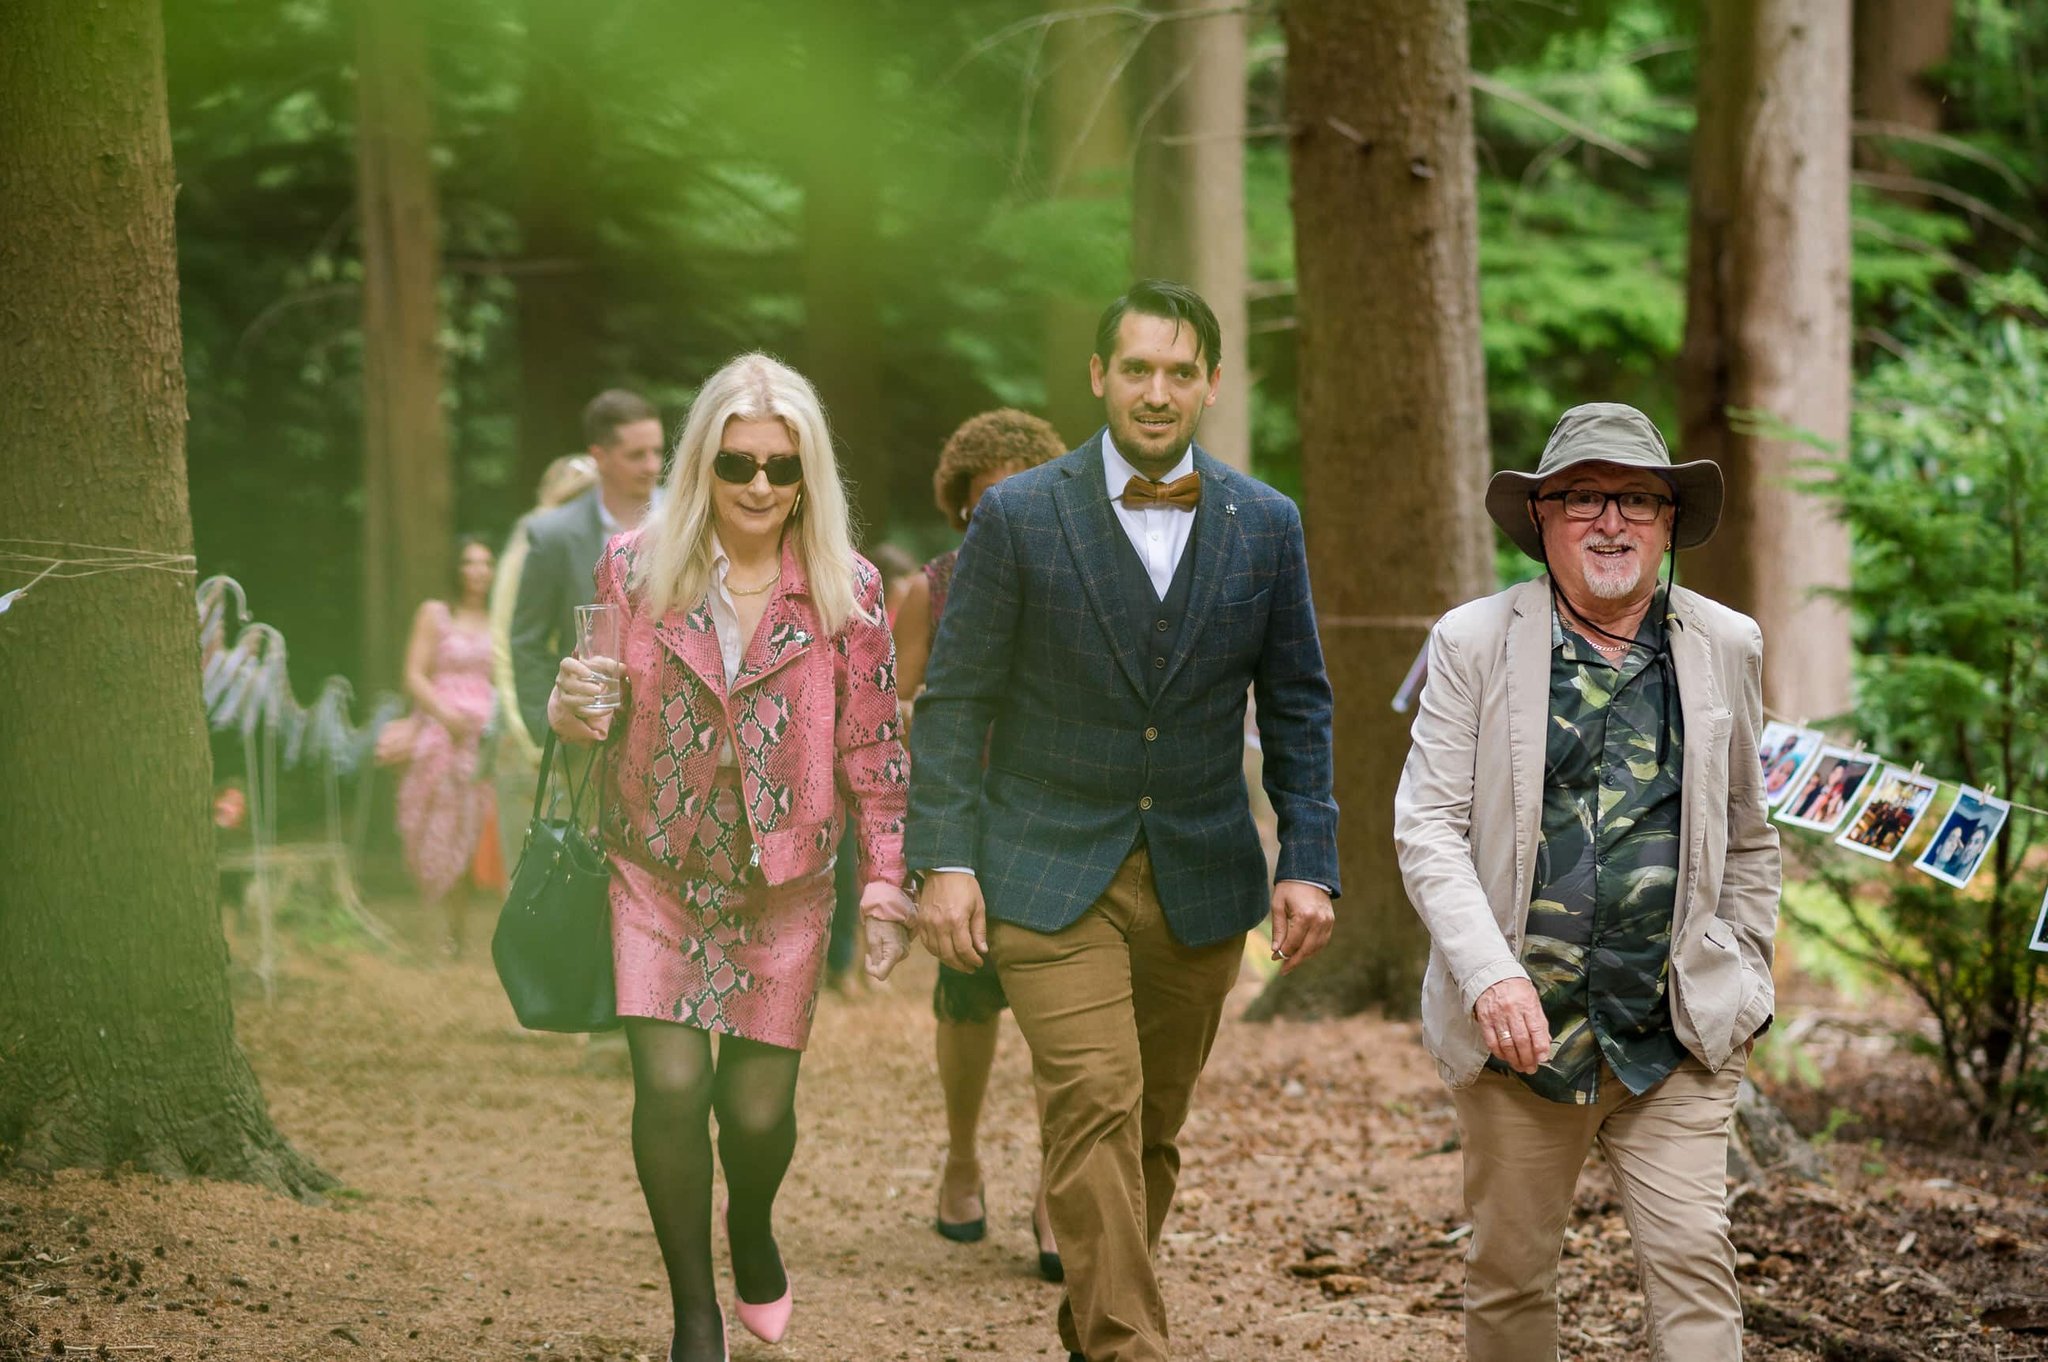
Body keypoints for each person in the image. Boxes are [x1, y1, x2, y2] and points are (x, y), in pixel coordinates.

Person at [906, 280, 1340, 1362]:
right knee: (1093, 1097)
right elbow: (955, 701)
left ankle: (1091, 1322)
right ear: (1098, 376)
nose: (1156, 391)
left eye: (1178, 371)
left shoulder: (1265, 524)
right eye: (1135, 368)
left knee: (1148, 1129)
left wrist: (1309, 862)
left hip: (1200, 875)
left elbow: (1295, 705)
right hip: (1045, 866)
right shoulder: (1015, 515)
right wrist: (944, 859)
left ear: (1210, 383)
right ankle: (1128, 1350)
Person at [546, 353, 914, 1362]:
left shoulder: (850, 586)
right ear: (703, 460)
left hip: (784, 882)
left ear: (808, 475)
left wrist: (885, 883)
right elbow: (592, 702)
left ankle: (750, 1225)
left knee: (754, 1114)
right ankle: (692, 1312)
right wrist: (567, 709)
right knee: (667, 1089)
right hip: (653, 863)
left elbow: (874, 747)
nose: (758, 487)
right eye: (738, 463)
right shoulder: (632, 564)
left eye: (781, 468)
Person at [1394, 402, 1780, 1361]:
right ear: (1542, 520)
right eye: (1582, 499)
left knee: (1697, 1261)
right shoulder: (1474, 642)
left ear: (1667, 523)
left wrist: (1745, 971)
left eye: (1638, 500)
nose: (1612, 522)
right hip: (1522, 1042)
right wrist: (1490, 975)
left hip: (1675, 1033)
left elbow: (1747, 835)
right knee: (1511, 1279)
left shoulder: (1725, 644)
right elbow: (1428, 829)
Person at [893, 408, 1068, 1278]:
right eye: (978, 508)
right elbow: (891, 709)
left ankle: (1052, 1188)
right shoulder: (935, 585)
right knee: (967, 1005)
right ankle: (961, 1155)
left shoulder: (1083, 576)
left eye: (1014, 502)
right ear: (960, 513)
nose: (995, 521)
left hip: (1066, 825)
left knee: (1065, 1016)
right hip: (969, 826)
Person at [510, 389, 664, 745]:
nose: (653, 465)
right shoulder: (554, 535)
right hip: (589, 735)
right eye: (637, 455)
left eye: (657, 451)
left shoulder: (689, 520)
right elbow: (527, 640)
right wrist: (548, 726)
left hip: (672, 737)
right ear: (600, 457)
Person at [489, 453, 599, 867]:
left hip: (578, 732)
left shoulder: (591, 548)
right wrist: (531, 732)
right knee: (534, 868)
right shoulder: (532, 544)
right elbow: (506, 642)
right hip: (533, 734)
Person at [396, 537, 501, 955]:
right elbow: (414, 674)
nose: (477, 571)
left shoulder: (499, 618)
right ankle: (434, 927)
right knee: (431, 825)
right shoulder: (435, 614)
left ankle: (460, 932)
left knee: (472, 831)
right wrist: (445, 715)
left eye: (485, 563)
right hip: (441, 734)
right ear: (456, 568)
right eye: (469, 562)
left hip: (484, 740)